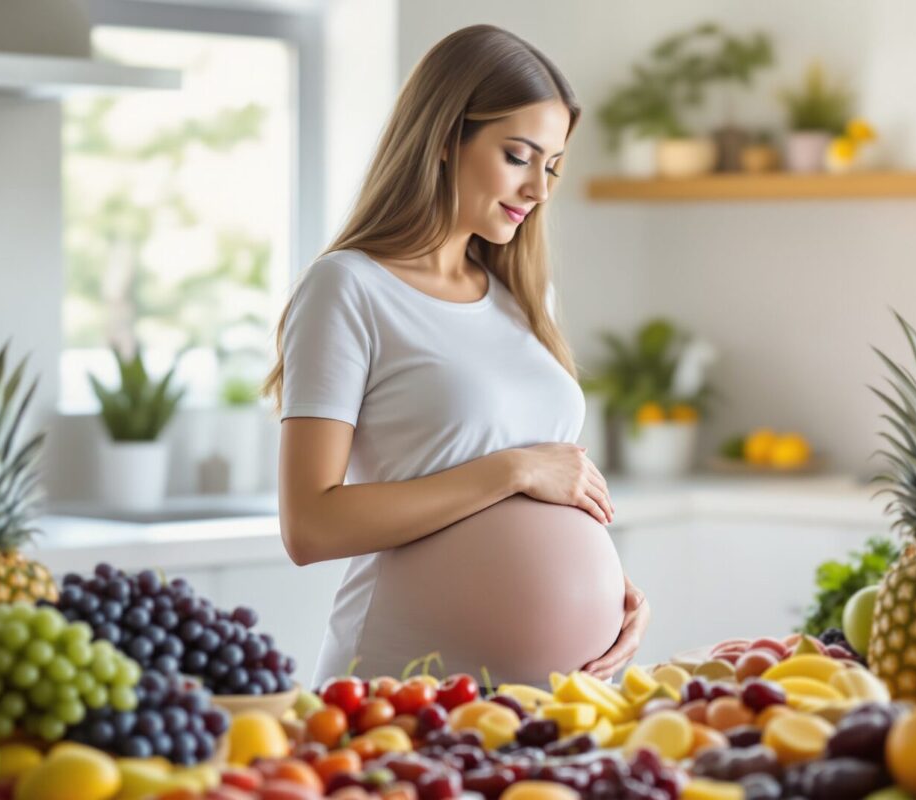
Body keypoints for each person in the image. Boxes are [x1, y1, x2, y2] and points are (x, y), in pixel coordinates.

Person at [261, 24, 650, 689]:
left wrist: (614, 592)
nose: (539, 189)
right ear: (444, 139)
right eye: (519, 156)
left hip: (562, 699)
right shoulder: (349, 287)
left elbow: (545, 493)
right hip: (405, 693)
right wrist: (511, 471)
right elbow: (310, 526)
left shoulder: (525, 297)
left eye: (552, 166)